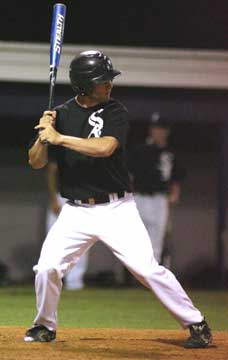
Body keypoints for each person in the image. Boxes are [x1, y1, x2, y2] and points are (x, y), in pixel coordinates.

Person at [24, 50, 212, 348]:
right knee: (47, 268)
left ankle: (196, 323)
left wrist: (60, 138)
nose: (109, 83)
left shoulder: (116, 112)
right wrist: (44, 133)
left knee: (147, 269)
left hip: (117, 209)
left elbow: (105, 147)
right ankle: (44, 326)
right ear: (84, 84)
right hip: (76, 212)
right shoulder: (60, 115)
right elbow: (35, 162)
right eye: (102, 79)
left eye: (109, 78)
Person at [127, 113, 185, 266]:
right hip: (139, 198)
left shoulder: (171, 154)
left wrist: (173, 196)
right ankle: (134, 276)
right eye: (156, 128)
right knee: (135, 237)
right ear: (151, 130)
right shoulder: (139, 150)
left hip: (160, 199)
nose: (158, 131)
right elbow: (129, 176)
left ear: (167, 131)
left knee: (157, 238)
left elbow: (176, 179)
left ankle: (152, 276)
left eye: (161, 128)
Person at [46, 161, 89, 290]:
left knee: (82, 240)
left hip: (82, 198)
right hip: (62, 197)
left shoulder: (89, 146)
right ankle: (50, 279)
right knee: (53, 240)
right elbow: (51, 171)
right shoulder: (61, 146)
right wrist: (53, 199)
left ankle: (75, 281)